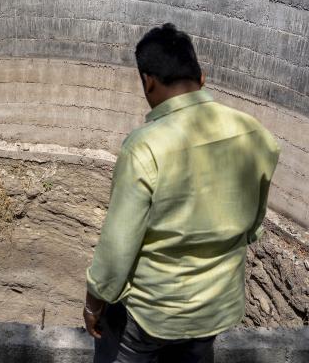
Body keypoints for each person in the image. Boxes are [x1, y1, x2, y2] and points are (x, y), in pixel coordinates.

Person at [84, 23, 281, 363]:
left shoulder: (144, 147)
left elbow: (117, 249)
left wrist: (94, 302)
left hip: (151, 315)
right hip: (214, 310)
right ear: (201, 77)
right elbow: (253, 225)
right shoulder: (256, 134)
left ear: (148, 81)